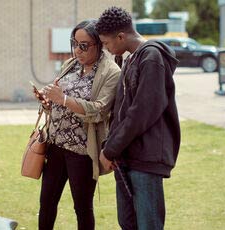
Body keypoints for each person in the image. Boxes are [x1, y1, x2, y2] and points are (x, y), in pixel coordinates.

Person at [96, 7, 181, 230]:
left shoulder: (151, 57)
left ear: (121, 37)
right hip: (126, 157)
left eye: (106, 43)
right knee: (127, 222)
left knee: (148, 225)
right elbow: (121, 110)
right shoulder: (130, 58)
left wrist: (110, 149)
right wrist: (110, 147)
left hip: (146, 160)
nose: (106, 49)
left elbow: (142, 112)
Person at [34, 19, 120, 230]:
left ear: (99, 44)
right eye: (74, 43)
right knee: (46, 203)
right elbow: (57, 99)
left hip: (82, 152)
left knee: (82, 208)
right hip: (56, 146)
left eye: (84, 45)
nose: (77, 50)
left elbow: (100, 109)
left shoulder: (111, 72)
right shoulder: (70, 64)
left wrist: (63, 99)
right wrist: (48, 102)